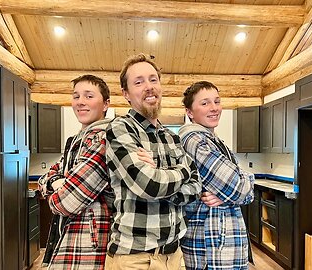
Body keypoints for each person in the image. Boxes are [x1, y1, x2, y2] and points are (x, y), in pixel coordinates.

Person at [104, 53, 202, 270]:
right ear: (126, 94)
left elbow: (196, 188)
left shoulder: (171, 136)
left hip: (174, 256)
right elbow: (150, 185)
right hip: (134, 259)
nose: (148, 86)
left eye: (153, 79)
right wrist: (183, 169)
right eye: (138, 82)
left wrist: (160, 175)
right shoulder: (120, 128)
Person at [38, 74, 114, 270]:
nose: (80, 102)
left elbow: (66, 202)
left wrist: (55, 191)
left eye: (89, 96)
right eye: (76, 96)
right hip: (68, 238)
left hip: (90, 244)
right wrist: (55, 181)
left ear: (105, 104)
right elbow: (47, 176)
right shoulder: (75, 141)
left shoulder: (104, 139)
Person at [178, 81, 255, 270]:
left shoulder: (215, 141)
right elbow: (238, 187)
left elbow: (243, 191)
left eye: (217, 101)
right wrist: (240, 188)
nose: (214, 108)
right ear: (190, 112)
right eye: (205, 103)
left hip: (222, 245)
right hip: (210, 249)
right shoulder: (195, 140)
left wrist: (229, 195)